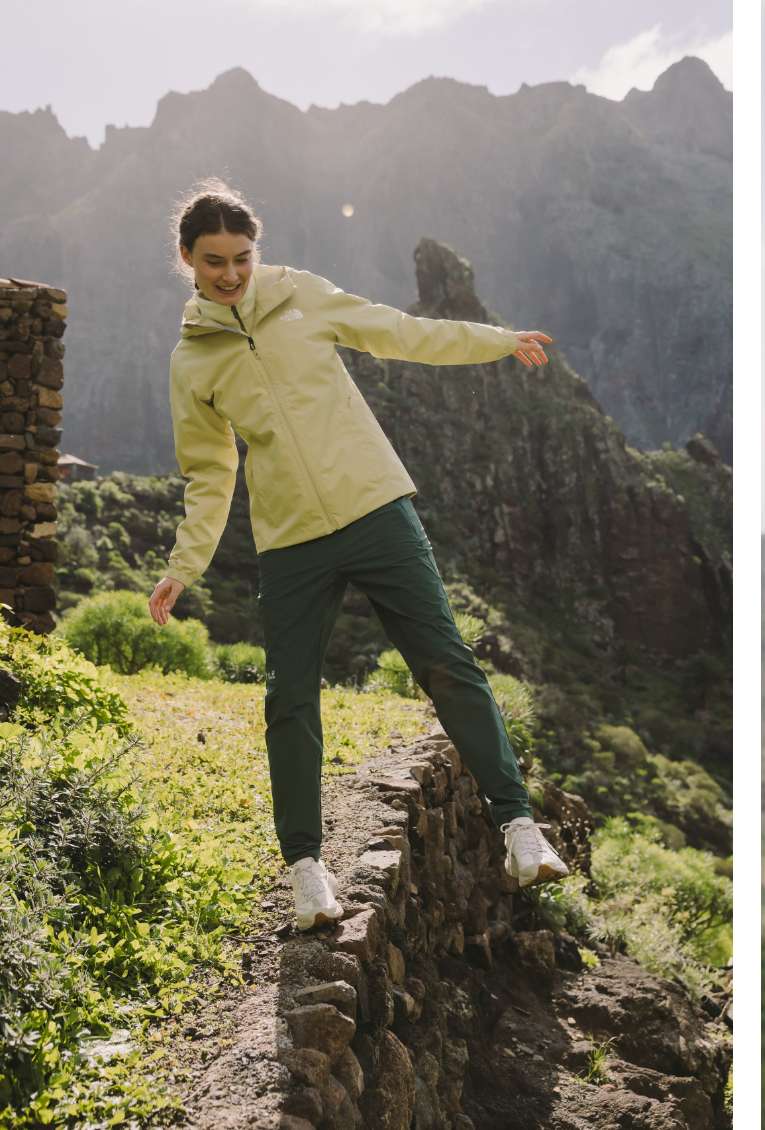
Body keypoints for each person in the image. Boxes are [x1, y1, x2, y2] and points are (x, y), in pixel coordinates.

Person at [148, 179, 571, 931]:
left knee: (447, 663)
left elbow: (398, 332)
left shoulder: (302, 296)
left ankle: (518, 826)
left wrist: (496, 341)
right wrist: (184, 565)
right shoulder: (192, 363)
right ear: (187, 259)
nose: (231, 273)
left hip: (376, 510)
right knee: (289, 699)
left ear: (256, 250)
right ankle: (306, 870)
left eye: (242, 257)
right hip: (290, 542)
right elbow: (209, 474)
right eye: (214, 261)